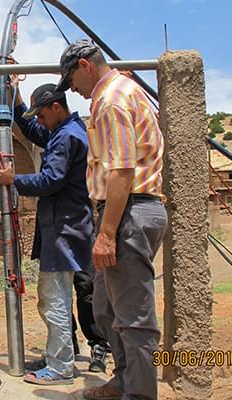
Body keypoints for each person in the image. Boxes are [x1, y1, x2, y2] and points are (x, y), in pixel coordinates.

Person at [56, 40, 167, 400]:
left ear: (85, 66)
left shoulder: (110, 101)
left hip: (128, 211)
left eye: (71, 79)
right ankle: (123, 381)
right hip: (127, 211)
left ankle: (140, 394)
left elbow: (121, 171)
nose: (71, 88)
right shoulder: (125, 89)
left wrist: (105, 234)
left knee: (134, 318)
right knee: (104, 306)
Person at [0, 83, 98, 384]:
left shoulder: (66, 137)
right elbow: (33, 131)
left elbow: (51, 179)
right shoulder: (64, 130)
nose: (38, 121)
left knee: (54, 298)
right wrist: (13, 97)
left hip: (63, 229)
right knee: (57, 297)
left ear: (56, 107)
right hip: (64, 226)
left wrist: (14, 180)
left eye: (41, 114)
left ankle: (61, 366)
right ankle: (59, 354)